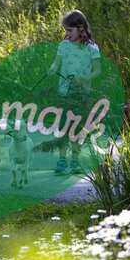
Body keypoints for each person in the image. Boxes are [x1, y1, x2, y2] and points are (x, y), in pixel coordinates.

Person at [45, 10, 101, 175]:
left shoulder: (91, 48)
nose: (67, 34)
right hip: (64, 93)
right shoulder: (63, 45)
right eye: (65, 31)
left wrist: (83, 79)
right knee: (62, 126)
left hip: (82, 94)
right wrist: (52, 69)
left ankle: (75, 161)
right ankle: (62, 160)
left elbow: (97, 71)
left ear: (81, 28)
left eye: (70, 30)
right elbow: (56, 63)